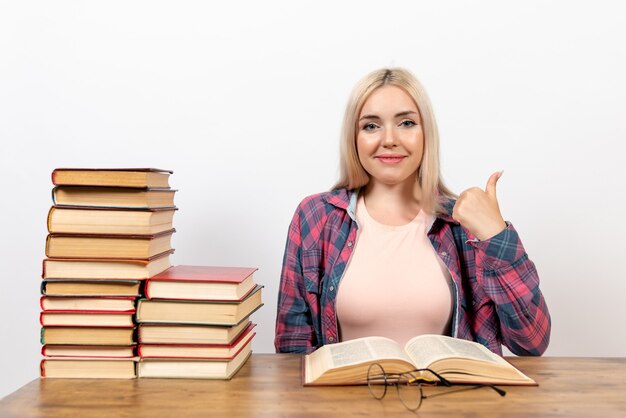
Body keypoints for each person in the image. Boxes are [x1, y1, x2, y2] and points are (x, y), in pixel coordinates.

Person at [274, 67, 550, 356]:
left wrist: (496, 236)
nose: (390, 139)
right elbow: (292, 348)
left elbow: (531, 342)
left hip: (450, 399)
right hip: (343, 400)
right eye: (371, 126)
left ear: (426, 134)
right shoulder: (316, 217)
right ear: (353, 138)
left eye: (406, 123)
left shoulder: (462, 224)